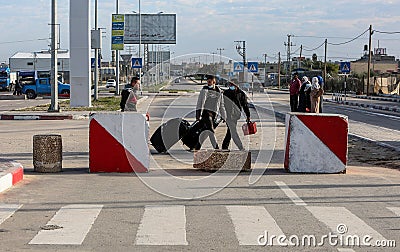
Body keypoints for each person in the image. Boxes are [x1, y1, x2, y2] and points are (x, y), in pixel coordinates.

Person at [195, 75, 226, 150]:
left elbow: (221, 105)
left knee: (205, 132)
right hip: (205, 113)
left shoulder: (219, 91)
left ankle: (197, 147)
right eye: (207, 82)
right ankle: (216, 148)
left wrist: (224, 116)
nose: (208, 83)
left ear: (214, 81)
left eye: (210, 81)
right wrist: (198, 114)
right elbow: (200, 103)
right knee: (211, 130)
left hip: (213, 114)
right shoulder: (204, 90)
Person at [222, 81, 250, 151]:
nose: (231, 86)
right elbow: (222, 104)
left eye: (233, 84)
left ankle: (224, 147)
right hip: (228, 115)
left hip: (236, 116)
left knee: (230, 132)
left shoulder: (241, 94)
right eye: (230, 84)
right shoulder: (226, 93)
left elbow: (245, 105)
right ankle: (240, 147)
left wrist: (248, 116)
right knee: (233, 131)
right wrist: (223, 115)